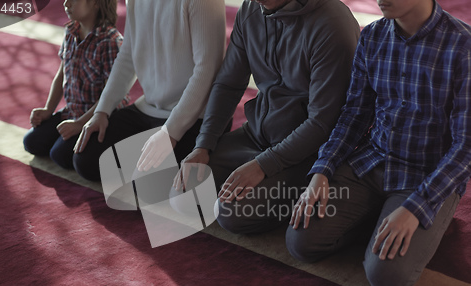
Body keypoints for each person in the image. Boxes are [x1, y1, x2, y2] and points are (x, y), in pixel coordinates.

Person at [287, 0, 471, 286]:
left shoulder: (463, 46)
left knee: (387, 278)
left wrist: (416, 208)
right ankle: (380, 218)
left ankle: (424, 220)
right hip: (372, 162)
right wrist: (323, 169)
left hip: (427, 177)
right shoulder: (372, 36)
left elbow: (466, 148)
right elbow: (355, 115)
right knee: (301, 242)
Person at [173, 0, 360, 234]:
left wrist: (264, 164)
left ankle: (307, 197)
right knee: (184, 195)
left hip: (308, 153)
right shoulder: (251, 10)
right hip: (257, 135)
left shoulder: (333, 23)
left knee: (232, 213)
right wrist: (204, 145)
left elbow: (322, 122)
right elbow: (228, 84)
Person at [72, 0, 227, 182]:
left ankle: (216, 154)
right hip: (149, 108)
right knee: (86, 161)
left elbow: (208, 69)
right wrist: (102, 111)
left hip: (197, 117)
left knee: (146, 184)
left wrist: (171, 132)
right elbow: (128, 54)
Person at [23, 0, 127, 169]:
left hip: (98, 117)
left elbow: (112, 95)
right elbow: (61, 74)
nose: (66, 4)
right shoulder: (71, 31)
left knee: (60, 155)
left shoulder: (110, 42)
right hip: (72, 112)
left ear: (95, 3)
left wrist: (80, 124)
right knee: (32, 142)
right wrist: (48, 110)